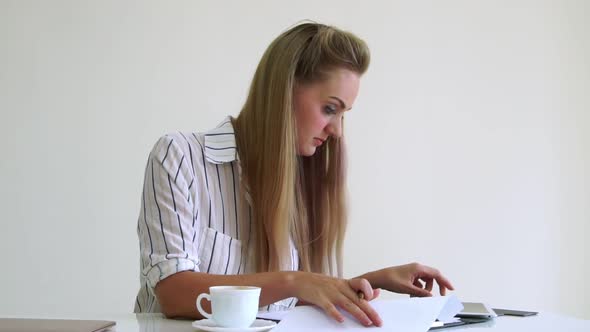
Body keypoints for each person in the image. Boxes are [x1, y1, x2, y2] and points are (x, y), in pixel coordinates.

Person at [134, 22, 454, 327]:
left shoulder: (298, 181)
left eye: (343, 114)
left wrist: (368, 282)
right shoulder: (179, 157)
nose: (337, 131)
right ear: (283, 91)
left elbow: (277, 306)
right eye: (330, 109)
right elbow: (173, 294)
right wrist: (295, 280)